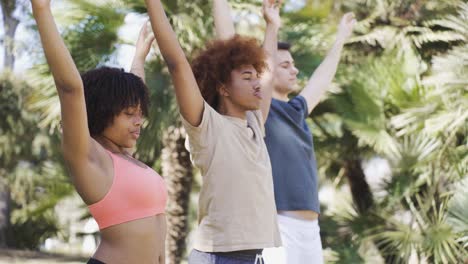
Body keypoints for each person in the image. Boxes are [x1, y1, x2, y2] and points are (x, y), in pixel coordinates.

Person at [213, 1, 357, 262]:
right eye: (285, 65)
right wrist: (271, 26)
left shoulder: (296, 111)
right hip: (276, 227)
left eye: (293, 64)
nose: (295, 69)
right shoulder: (255, 114)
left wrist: (340, 39)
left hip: (311, 229)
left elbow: (320, 80)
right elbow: (228, 43)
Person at [144, 0, 282, 263]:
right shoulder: (208, 127)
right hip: (218, 256)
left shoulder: (254, 122)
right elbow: (177, 64)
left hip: (255, 256)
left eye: (257, 76)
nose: (258, 84)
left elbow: (265, 66)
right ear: (222, 87)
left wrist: (272, 27)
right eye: (247, 77)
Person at [31, 1, 167, 263]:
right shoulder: (90, 158)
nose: (139, 121)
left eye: (139, 113)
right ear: (102, 112)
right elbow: (70, 89)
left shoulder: (126, 156)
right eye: (129, 114)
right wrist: (42, 11)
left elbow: (134, 95)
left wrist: (139, 57)